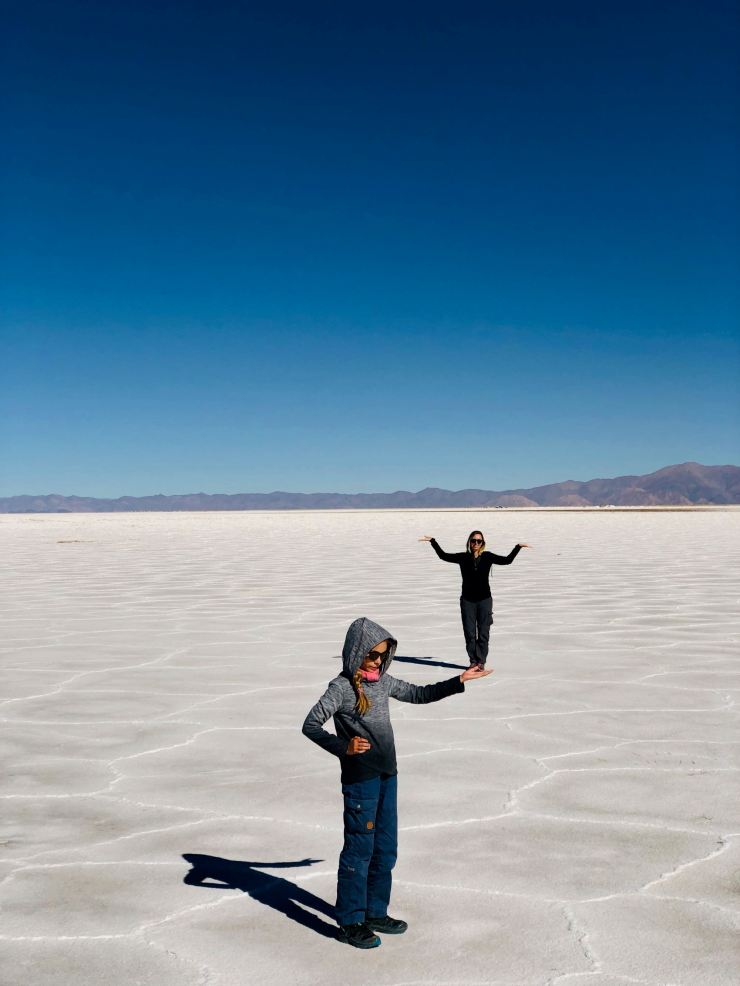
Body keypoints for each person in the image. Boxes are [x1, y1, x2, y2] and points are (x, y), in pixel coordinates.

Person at [302, 616, 491, 949]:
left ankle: (375, 912)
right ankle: (350, 921)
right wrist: (343, 747)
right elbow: (311, 724)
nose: (377, 660)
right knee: (359, 851)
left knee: (385, 850)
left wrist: (458, 679)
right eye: (371, 654)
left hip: (388, 775)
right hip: (361, 781)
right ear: (356, 651)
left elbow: (419, 694)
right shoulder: (341, 688)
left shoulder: (383, 682)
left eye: (382, 654)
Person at [419, 531, 529, 667]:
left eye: (479, 541)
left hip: (484, 600)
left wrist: (517, 547)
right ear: (469, 542)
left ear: (483, 543)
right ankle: (473, 661)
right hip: (467, 601)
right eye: (473, 540)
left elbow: (507, 560)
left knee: (483, 633)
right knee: (469, 633)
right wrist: (433, 541)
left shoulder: (488, 557)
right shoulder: (463, 557)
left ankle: (481, 661)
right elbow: (443, 556)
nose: (476, 543)